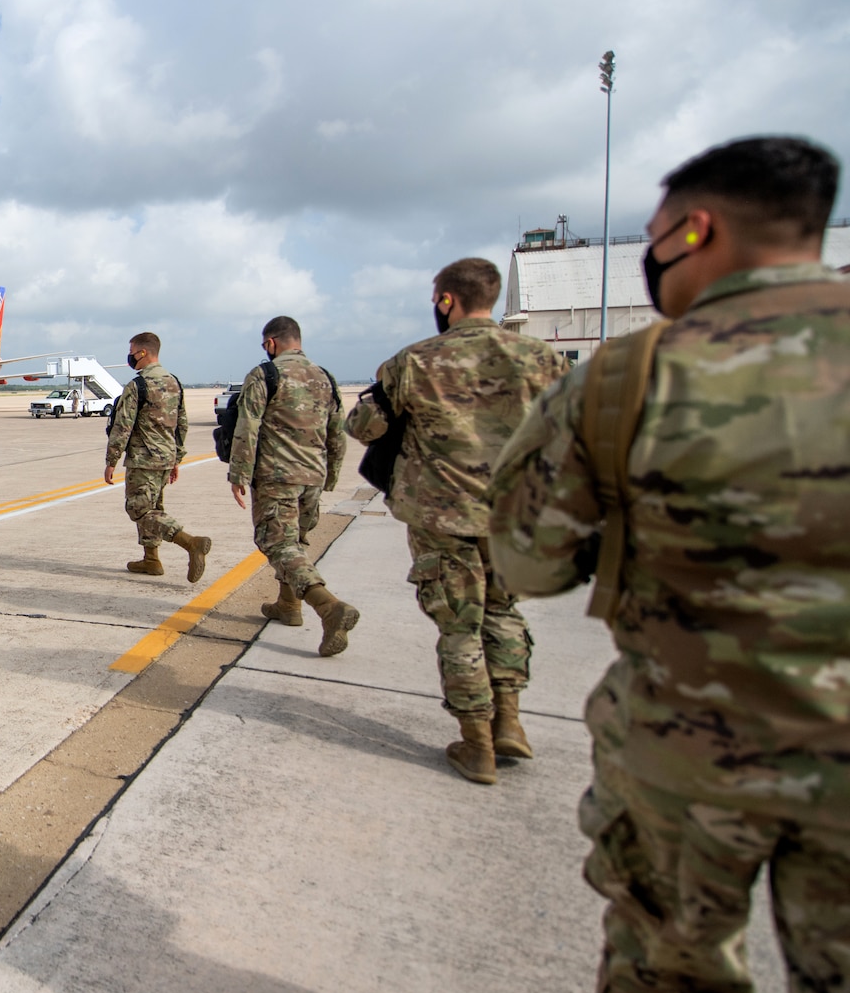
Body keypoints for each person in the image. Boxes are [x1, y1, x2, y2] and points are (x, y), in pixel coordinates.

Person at [488, 136, 850, 993]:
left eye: (656, 238)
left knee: (672, 991)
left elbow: (524, 558)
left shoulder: (627, 375)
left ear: (698, 230)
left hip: (687, 758)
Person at [346, 258, 567, 785]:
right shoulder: (543, 359)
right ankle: (509, 718)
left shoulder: (416, 361)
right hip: (518, 514)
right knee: (504, 610)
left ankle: (477, 742)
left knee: (459, 624)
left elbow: (363, 425)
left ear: (446, 300)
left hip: (442, 514)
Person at [226, 316, 356, 656]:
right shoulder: (324, 377)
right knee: (296, 541)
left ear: (271, 343)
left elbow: (247, 427)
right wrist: (332, 475)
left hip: (276, 476)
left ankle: (327, 606)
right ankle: (288, 605)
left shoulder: (265, 374)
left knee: (277, 542)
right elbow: (336, 432)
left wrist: (238, 474)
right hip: (313, 476)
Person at [103, 330, 212, 581]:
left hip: (144, 459)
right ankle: (151, 559)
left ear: (143, 353)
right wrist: (176, 459)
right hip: (165, 457)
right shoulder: (174, 382)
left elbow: (123, 426)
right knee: (154, 508)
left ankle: (190, 542)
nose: (129, 358)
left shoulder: (138, 385)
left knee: (139, 510)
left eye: (131, 353)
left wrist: (111, 460)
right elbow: (181, 423)